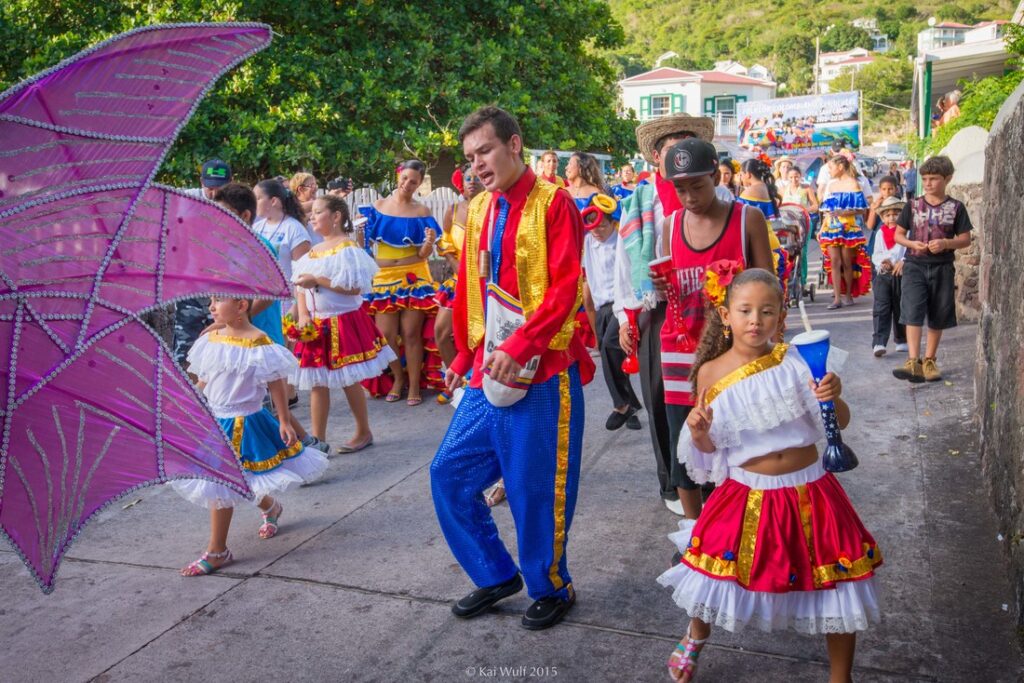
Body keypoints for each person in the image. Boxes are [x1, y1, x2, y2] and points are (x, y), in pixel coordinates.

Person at [658, 268, 881, 682]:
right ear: (726, 315)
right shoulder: (711, 373)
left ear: (781, 317)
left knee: (838, 579)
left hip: (811, 489)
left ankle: (841, 676)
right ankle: (696, 635)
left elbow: (840, 422)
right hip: (746, 492)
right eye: (745, 310)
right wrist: (699, 432)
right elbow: (708, 452)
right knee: (712, 572)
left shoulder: (798, 360)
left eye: (766, 311)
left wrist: (833, 397)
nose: (755, 320)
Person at [430, 105, 594, 631]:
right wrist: (463, 355)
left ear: (514, 144)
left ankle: (551, 586)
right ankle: (496, 573)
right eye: (470, 156)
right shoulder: (478, 208)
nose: (477, 164)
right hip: (487, 371)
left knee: (532, 489)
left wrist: (522, 345)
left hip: (543, 374)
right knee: (449, 473)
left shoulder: (555, 202)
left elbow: (566, 289)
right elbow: (469, 288)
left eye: (485, 151)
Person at [653, 139, 774, 521]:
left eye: (697, 186)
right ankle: (694, 533)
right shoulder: (670, 226)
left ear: (716, 178)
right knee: (684, 441)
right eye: (680, 189)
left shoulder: (747, 220)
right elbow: (667, 287)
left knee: (739, 438)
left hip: (734, 351)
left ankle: (739, 525)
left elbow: (770, 289)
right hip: (679, 351)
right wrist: (660, 288)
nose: (689, 197)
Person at [171, 296, 329, 576]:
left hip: (246, 422)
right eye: (211, 300)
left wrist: (284, 421)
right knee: (237, 480)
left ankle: (217, 550)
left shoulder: (259, 342)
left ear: (241, 306)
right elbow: (206, 376)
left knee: (223, 482)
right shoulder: (211, 338)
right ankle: (271, 507)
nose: (211, 307)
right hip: (215, 420)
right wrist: (190, 401)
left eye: (219, 300)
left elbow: (276, 383)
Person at [613, 113, 715, 517]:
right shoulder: (639, 203)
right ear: (657, 156)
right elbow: (624, 264)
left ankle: (718, 478)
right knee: (661, 400)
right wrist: (626, 317)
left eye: (687, 143)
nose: (680, 153)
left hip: (709, 307)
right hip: (656, 312)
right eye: (672, 147)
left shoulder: (712, 197)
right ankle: (673, 482)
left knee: (713, 391)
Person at [209, 182, 330, 455]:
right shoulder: (226, 248)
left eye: (224, 214)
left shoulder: (259, 248)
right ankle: (308, 446)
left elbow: (271, 293)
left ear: (244, 216)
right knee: (259, 402)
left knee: (263, 403)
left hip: (259, 334)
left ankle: (300, 449)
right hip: (237, 333)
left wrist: (236, 319)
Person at [290, 194, 397, 453]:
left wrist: (318, 280)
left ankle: (363, 430)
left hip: (343, 322)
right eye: (312, 213)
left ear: (336, 216)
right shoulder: (313, 251)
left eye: (318, 212)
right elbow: (300, 287)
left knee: (350, 379)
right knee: (318, 382)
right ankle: (318, 440)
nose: (312, 217)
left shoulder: (347, 249)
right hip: (316, 325)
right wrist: (303, 314)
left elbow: (354, 288)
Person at [359, 159, 441, 406]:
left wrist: (429, 242)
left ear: (419, 184)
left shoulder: (422, 212)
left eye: (413, 181)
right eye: (405, 178)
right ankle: (398, 377)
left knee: (411, 333)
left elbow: (424, 253)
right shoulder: (378, 206)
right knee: (385, 334)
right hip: (383, 277)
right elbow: (364, 246)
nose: (407, 184)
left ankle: (414, 383)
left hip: (413, 276)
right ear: (398, 175)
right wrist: (359, 232)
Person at [892, 155, 973, 383]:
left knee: (938, 314)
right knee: (912, 311)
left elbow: (965, 239)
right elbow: (898, 235)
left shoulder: (956, 207)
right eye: (925, 179)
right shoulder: (912, 206)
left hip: (942, 267)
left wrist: (946, 243)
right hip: (915, 265)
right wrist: (911, 244)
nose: (928, 183)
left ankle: (929, 360)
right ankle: (913, 361)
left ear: (947, 179)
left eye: (934, 179)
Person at [584, 194, 641, 431]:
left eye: (603, 226)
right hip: (601, 307)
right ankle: (631, 408)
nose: (597, 231)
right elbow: (588, 281)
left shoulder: (622, 240)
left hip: (622, 304)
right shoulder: (587, 242)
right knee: (612, 358)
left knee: (611, 347)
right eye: (593, 227)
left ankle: (622, 405)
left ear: (613, 222)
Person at [174, 159, 234, 368]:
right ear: (201, 182)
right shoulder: (186, 199)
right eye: (210, 188)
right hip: (190, 287)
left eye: (220, 188)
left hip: (223, 288)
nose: (214, 193)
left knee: (223, 350)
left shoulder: (236, 204)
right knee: (185, 353)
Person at [436, 164, 483, 403]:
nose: (472, 181)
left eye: (476, 177)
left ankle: (476, 383)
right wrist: (455, 264)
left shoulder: (492, 208)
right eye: (468, 178)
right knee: (441, 332)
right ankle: (455, 380)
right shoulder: (452, 210)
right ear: (461, 183)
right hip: (457, 281)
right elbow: (444, 243)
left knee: (479, 335)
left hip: (484, 283)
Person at [817, 155, 871, 309]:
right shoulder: (831, 185)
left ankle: (848, 295)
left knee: (847, 262)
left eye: (831, 168)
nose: (829, 171)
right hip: (831, 227)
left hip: (848, 227)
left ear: (840, 167)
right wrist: (822, 228)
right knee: (834, 261)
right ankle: (837, 298)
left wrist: (844, 212)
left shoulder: (853, 184)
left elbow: (862, 210)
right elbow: (827, 211)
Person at [253, 178, 313, 302]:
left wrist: (296, 307)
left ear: (273, 201)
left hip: (285, 303)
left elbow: (303, 274)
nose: (253, 203)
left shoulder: (294, 229)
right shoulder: (256, 227)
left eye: (258, 198)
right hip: (259, 300)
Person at [871, 196, 908, 357]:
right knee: (881, 307)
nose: (892, 218)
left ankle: (901, 339)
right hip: (883, 274)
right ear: (883, 217)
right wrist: (883, 262)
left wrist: (901, 261)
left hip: (900, 274)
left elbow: (908, 250)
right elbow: (876, 253)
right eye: (888, 215)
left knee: (900, 306)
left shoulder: (906, 232)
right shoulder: (880, 233)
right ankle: (879, 342)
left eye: (895, 214)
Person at [782, 166, 819, 285]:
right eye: (791, 177)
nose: (794, 180)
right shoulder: (783, 190)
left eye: (796, 177)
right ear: (787, 178)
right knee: (787, 250)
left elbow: (815, 206)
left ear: (800, 176)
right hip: (787, 224)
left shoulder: (806, 189)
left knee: (802, 251)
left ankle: (803, 280)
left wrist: (804, 209)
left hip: (803, 222)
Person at [289, 172, 322, 245]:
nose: (316, 188)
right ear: (301, 189)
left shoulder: (318, 205)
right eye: (312, 185)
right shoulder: (292, 209)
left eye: (316, 185)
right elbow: (299, 211)